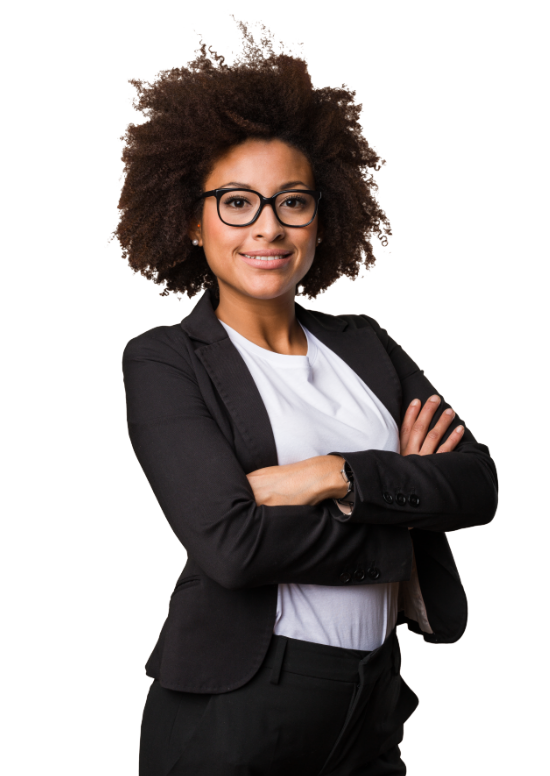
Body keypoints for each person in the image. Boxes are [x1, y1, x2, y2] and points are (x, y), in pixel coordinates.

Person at [111, 18, 499, 776]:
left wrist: (330, 476)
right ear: (192, 219)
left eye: (293, 202)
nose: (269, 228)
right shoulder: (165, 361)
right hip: (241, 699)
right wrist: (403, 517)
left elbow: (477, 482)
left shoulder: (364, 344)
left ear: (324, 217)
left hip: (371, 696)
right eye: (237, 202)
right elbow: (231, 546)